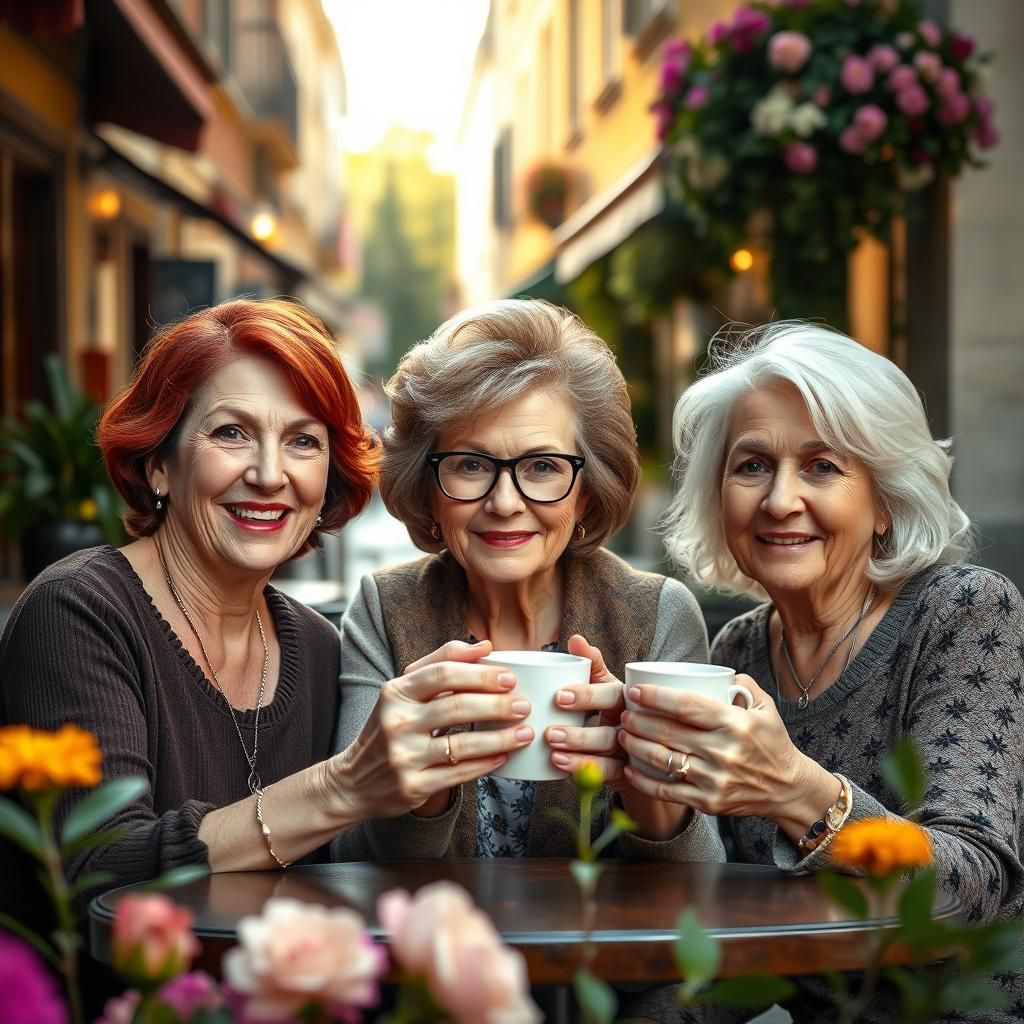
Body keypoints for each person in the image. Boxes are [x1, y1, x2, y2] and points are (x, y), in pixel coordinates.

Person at [0, 298, 543, 926]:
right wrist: (343, 785)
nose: (268, 474)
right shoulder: (78, 610)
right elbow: (100, 874)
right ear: (158, 464)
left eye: (302, 442)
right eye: (230, 433)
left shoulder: (316, 646)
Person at [620, 322, 1024, 1022]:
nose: (780, 500)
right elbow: (740, 938)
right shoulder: (737, 655)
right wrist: (645, 786)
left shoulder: (963, 612)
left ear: (886, 501)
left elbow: (970, 887)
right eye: (752, 466)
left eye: (822, 467)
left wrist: (796, 789)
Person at [333, 299, 725, 862]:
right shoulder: (384, 609)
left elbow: (703, 879)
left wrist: (644, 787)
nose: (504, 503)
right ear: (428, 487)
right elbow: (347, 858)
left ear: (587, 490)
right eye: (470, 465)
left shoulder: (659, 614)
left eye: (542, 467)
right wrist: (419, 790)